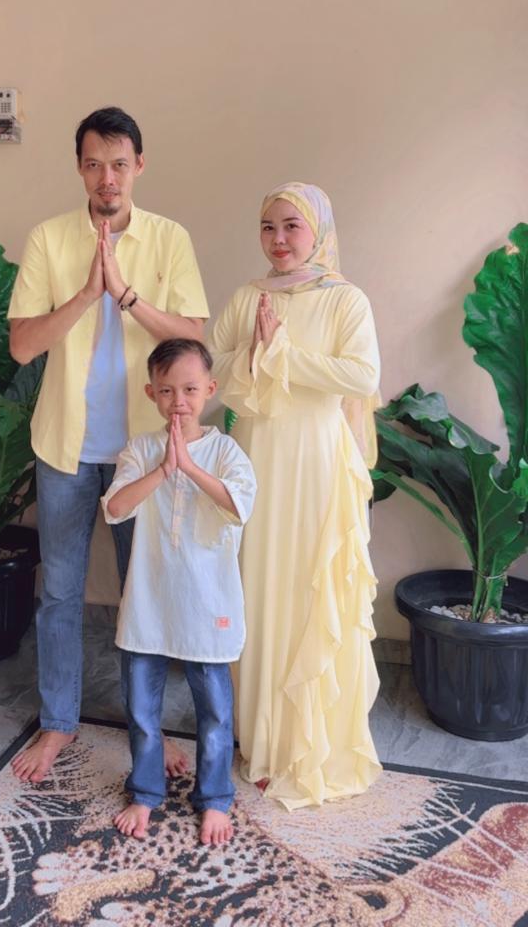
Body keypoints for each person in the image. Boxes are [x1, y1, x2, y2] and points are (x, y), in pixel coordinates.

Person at [8, 107, 210, 784]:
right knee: (60, 594)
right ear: (79, 168)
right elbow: (22, 345)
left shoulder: (170, 239)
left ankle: (147, 732)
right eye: (94, 164)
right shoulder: (49, 238)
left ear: (139, 166)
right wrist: (86, 294)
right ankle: (58, 724)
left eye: (119, 164)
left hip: (142, 453)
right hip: (64, 448)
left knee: (142, 596)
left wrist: (123, 295)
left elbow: (195, 337)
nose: (107, 178)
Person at [210, 182, 382, 812]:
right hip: (257, 460)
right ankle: (259, 742)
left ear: (318, 231)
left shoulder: (346, 299)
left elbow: (362, 375)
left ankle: (309, 749)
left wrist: (283, 352)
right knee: (256, 586)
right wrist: (254, 351)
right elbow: (211, 366)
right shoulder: (246, 297)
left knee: (308, 591)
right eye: (268, 227)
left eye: (292, 226)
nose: (278, 239)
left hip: (316, 466)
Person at [102, 338, 256, 845]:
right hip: (148, 601)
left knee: (214, 711)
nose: (179, 402)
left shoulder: (227, 451)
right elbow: (115, 508)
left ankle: (214, 799)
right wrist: (164, 469)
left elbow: (238, 507)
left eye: (190, 389)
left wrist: (188, 467)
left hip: (207, 602)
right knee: (141, 709)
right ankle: (145, 792)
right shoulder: (140, 449)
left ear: (210, 389)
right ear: (151, 393)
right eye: (166, 391)